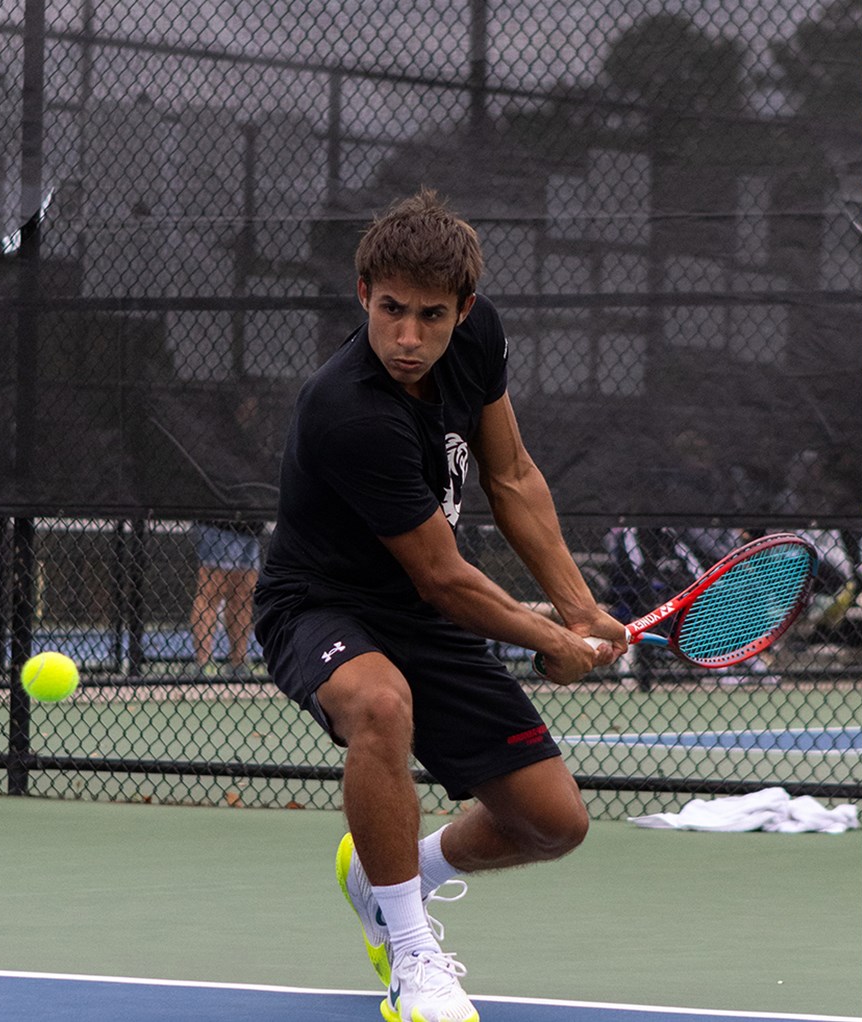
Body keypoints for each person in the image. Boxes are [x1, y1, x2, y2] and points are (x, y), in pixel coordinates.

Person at [253, 189, 626, 1022]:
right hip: (320, 605)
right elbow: (444, 577)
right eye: (391, 311)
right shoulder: (348, 411)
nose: (409, 337)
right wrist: (547, 639)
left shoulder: (478, 338)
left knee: (553, 824)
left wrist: (578, 607)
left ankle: (390, 874)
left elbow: (514, 475)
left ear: (463, 309)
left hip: (423, 617)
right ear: (363, 296)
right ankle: (412, 957)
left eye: (430, 315)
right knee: (379, 703)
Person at [189, 519, 261, 674]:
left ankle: (238, 662)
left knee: (243, 595)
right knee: (211, 591)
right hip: (218, 519)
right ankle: (203, 661)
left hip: (250, 523)